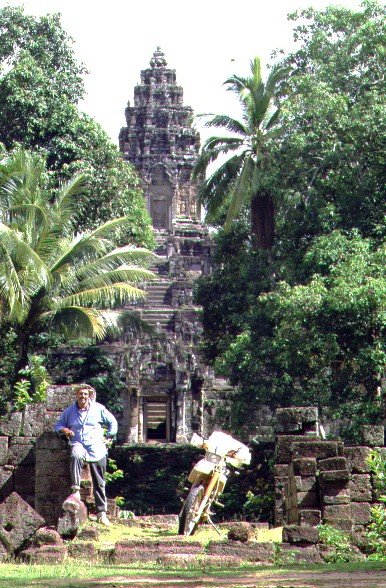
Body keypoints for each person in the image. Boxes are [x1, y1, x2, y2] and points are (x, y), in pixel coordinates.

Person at [54, 385, 118, 526]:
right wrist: (65, 430)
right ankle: (76, 489)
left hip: (96, 446)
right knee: (75, 455)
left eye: (85, 394)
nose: (83, 396)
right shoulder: (69, 412)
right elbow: (57, 426)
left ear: (89, 396)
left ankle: (102, 513)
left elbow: (112, 421)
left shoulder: (98, 409)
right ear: (76, 395)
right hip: (79, 443)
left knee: (99, 481)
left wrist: (110, 435)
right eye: (80, 394)